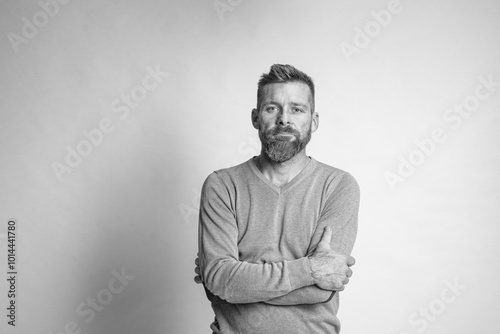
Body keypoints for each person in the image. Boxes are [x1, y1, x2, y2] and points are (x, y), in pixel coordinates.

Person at [194, 64, 360, 333]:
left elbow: (321, 291)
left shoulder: (338, 186)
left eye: (297, 109)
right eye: (272, 108)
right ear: (256, 117)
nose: (284, 119)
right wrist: (309, 270)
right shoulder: (222, 185)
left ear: (314, 120)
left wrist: (233, 284)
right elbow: (220, 281)